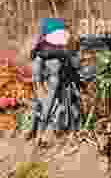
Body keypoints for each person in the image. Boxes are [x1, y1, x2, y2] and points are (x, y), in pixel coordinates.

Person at [29, 18, 81, 146]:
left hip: (51, 75)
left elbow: (36, 61)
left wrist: (37, 82)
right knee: (55, 102)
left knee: (48, 102)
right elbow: (73, 61)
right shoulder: (63, 41)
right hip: (57, 76)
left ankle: (41, 132)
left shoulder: (43, 45)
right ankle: (65, 133)